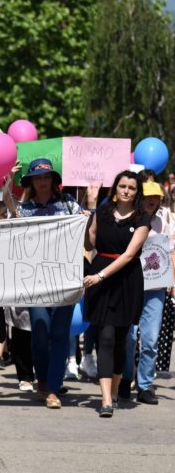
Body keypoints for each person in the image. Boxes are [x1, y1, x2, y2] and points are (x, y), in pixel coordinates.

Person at [9, 159, 85, 409]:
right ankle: (42, 380)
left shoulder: (69, 204)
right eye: (38, 177)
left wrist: (87, 215)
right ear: (31, 181)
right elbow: (9, 217)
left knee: (60, 334)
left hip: (65, 278)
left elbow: (85, 235)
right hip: (35, 281)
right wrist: (7, 181)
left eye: (46, 177)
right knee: (40, 330)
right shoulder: (25, 207)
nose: (42, 181)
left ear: (53, 180)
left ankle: (52, 388)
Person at [83, 170, 150, 417]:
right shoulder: (102, 212)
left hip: (126, 280)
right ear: (115, 188)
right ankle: (106, 399)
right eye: (122, 186)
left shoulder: (143, 218)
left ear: (137, 192)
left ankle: (114, 391)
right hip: (101, 277)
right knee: (106, 336)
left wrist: (100, 275)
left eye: (132, 188)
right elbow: (90, 243)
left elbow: (130, 255)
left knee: (122, 339)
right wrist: (91, 207)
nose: (126, 191)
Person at [122, 179, 171, 405]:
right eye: (148, 196)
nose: (152, 200)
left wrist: (172, 281)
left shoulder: (164, 221)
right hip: (131, 286)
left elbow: (171, 251)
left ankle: (144, 385)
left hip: (156, 288)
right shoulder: (129, 219)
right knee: (129, 336)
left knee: (150, 339)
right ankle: (125, 377)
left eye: (156, 197)